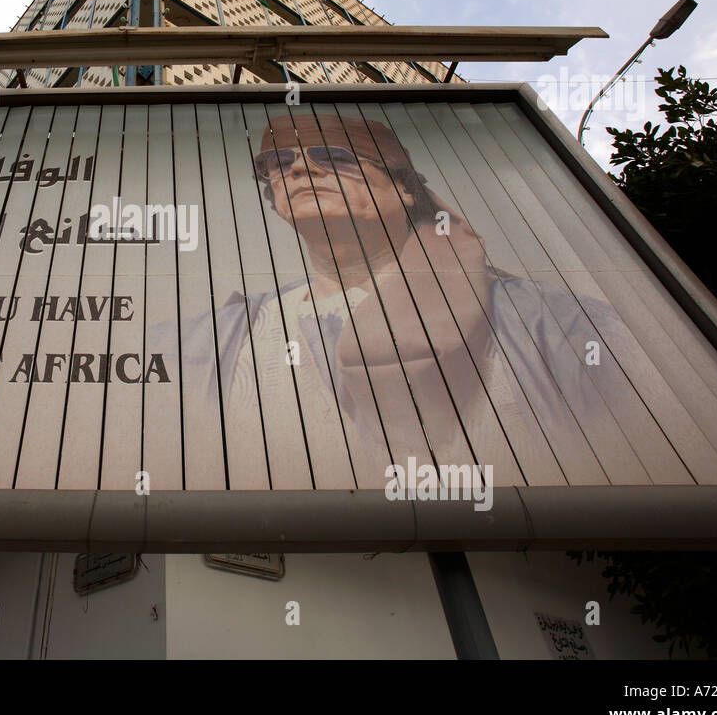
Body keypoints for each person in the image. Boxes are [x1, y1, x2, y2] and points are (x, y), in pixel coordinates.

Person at [174, 109, 634, 488]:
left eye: (333, 155)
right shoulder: (220, 339)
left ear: (404, 188)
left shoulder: (558, 322)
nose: (297, 169)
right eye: (278, 163)